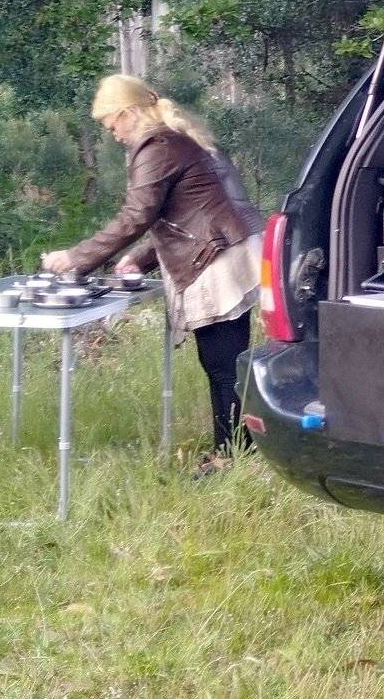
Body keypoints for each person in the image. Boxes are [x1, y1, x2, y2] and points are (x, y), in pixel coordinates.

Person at [42, 74, 263, 473]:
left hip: (216, 256)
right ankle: (241, 450)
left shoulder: (157, 146)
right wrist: (140, 260)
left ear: (127, 113)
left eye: (112, 124)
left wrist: (75, 258)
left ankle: (230, 459)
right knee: (230, 360)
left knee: (221, 363)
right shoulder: (179, 137)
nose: (113, 135)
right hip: (231, 246)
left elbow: (137, 215)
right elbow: (182, 209)